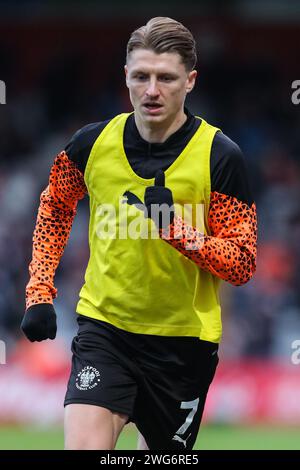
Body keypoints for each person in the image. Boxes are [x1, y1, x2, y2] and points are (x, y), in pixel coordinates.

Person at [21, 17, 257, 450]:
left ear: (190, 81)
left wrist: (178, 232)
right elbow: (54, 205)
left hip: (183, 344)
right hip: (105, 329)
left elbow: (242, 262)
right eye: (140, 76)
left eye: (165, 78)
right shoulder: (89, 145)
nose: (152, 90)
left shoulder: (220, 155)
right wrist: (39, 291)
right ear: (125, 77)